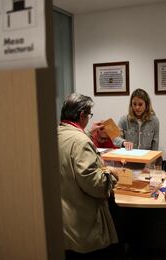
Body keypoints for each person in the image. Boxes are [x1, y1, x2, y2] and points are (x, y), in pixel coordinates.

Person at [58, 93, 120, 259]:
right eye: (89, 114)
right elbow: (96, 185)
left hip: (62, 220)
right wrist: (112, 175)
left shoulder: (56, 135)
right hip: (82, 223)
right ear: (81, 115)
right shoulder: (81, 141)